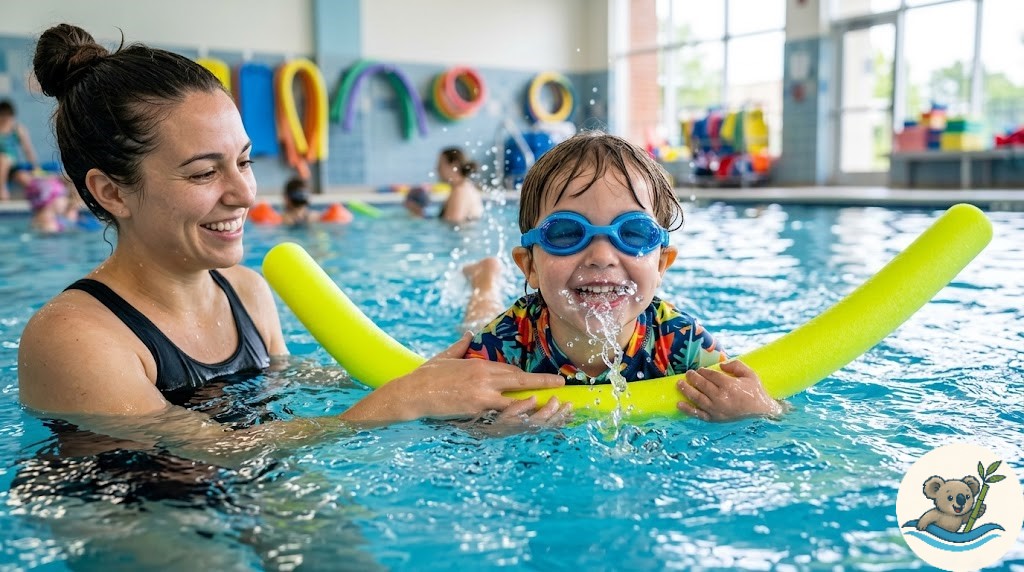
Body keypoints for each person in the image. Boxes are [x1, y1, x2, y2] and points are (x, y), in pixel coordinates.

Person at [17, 24, 566, 459]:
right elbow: (218, 452)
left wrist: (442, 392)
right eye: (204, 173)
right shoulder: (76, 338)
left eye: (244, 161)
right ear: (111, 191)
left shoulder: (247, 292)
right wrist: (404, 400)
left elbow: (301, 391)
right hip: (135, 513)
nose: (244, 193)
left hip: (266, 484)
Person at [460, 131, 785, 423]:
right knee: (477, 319)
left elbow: (771, 406)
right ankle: (486, 281)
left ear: (661, 265)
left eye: (633, 232)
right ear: (529, 265)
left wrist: (759, 410)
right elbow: (450, 421)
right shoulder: (504, 344)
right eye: (565, 233)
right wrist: (491, 434)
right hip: (513, 321)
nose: (601, 257)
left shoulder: (680, 342)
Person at [405, 146, 484, 223]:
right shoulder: (464, 187)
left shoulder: (460, 192)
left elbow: (452, 226)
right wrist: (421, 214)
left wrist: (420, 216)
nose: (437, 169)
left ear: (454, 166)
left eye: (440, 165)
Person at [0, 99, 40, 200]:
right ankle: (2, 191)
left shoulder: (17, 129)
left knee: (25, 179)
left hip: (12, 166)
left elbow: (28, 150)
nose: (5, 119)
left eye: (8, 116)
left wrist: (35, 167)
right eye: (2, 116)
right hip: (2, 162)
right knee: (3, 159)